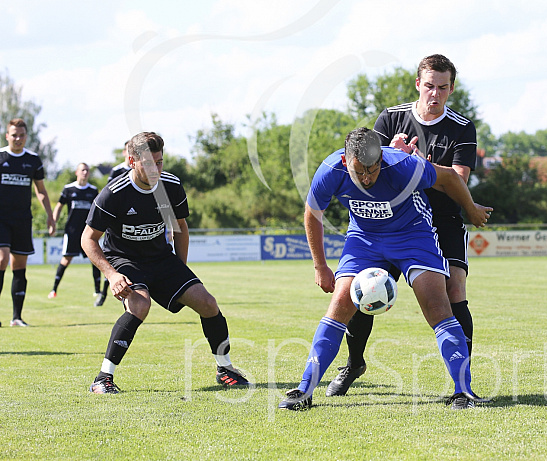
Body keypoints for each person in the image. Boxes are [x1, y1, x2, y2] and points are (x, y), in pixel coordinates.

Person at [278, 127, 492, 411]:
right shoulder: (331, 169)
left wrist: (471, 209)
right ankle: (304, 390)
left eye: (373, 169)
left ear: (381, 158)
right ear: (346, 161)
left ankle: (463, 392)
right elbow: (312, 213)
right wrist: (320, 266)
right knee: (340, 304)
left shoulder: (403, 165)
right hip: (364, 239)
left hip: (413, 235)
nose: (367, 178)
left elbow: (450, 177)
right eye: (359, 171)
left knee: (437, 306)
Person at [326, 54, 481, 397]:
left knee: (454, 291)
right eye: (429, 86)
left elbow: (458, 179)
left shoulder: (461, 127)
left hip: (443, 218)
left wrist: (409, 162)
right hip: (395, 219)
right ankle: (354, 363)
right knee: (363, 290)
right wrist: (393, 157)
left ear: (451, 89)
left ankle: (461, 386)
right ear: (418, 84)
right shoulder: (391, 117)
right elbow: (370, 165)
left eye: (442, 87)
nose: (434, 94)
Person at [81, 132, 250, 393]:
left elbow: (180, 227)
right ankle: (103, 378)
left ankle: (225, 368)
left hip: (161, 258)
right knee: (139, 304)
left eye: (159, 162)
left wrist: (181, 269)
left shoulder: (170, 186)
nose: (155, 169)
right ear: (131, 161)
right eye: (148, 163)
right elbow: (88, 239)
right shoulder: (114, 193)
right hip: (125, 259)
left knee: (208, 303)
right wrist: (112, 275)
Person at [0, 118, 56, 327]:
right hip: (1, 219)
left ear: (26, 137)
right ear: (7, 136)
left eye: (21, 135)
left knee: (20, 266)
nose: (18, 139)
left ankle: (16, 317)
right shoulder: (1, 157)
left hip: (23, 220)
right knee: (2, 259)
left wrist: (50, 216)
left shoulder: (33, 160)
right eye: (14, 135)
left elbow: (40, 191)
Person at [48, 163, 101, 300]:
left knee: (94, 258)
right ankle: (54, 289)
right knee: (66, 259)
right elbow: (59, 206)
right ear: (77, 172)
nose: (85, 172)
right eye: (82, 170)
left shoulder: (93, 190)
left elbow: (98, 210)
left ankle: (97, 291)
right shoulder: (68, 189)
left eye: (87, 170)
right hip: (71, 231)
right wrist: (53, 222)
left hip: (88, 232)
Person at [93, 140, 133, 307]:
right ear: (125, 153)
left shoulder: (141, 169)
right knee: (113, 262)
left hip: (135, 220)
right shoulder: (116, 171)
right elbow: (107, 193)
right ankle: (102, 294)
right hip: (117, 222)